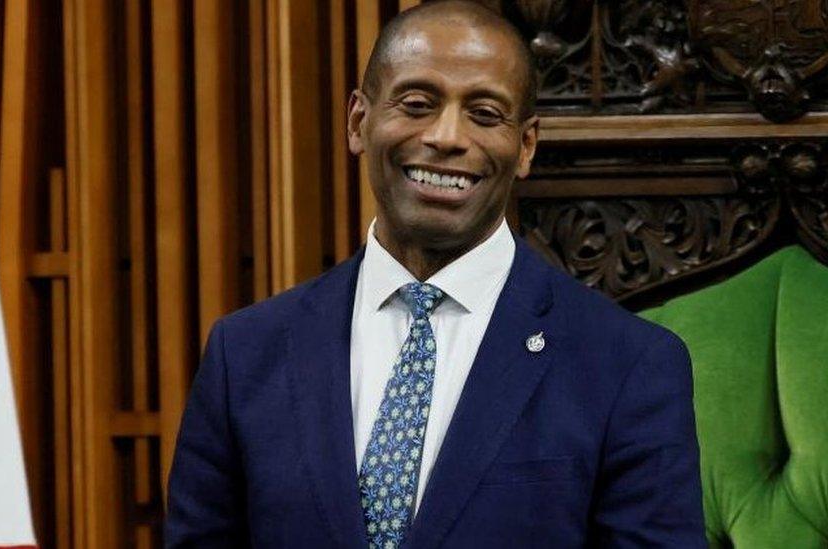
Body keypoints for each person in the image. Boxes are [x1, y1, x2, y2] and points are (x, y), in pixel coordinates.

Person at [165, 1, 706, 547]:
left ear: (525, 147)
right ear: (359, 121)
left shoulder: (628, 365)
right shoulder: (245, 354)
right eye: (418, 103)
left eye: (486, 114)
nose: (447, 136)